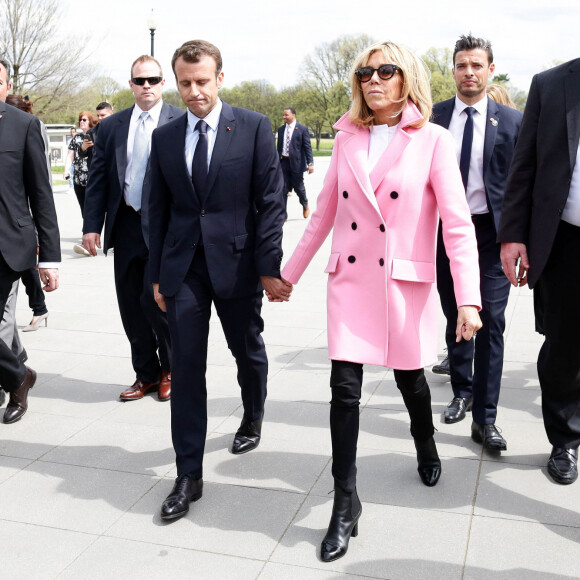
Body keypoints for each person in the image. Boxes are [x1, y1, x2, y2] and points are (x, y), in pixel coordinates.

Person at [281, 41, 482, 562]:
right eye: (365, 72)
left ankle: (425, 441)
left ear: (406, 79)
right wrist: (287, 275)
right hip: (349, 281)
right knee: (343, 389)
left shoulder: (434, 140)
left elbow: (458, 228)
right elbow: (323, 215)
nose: (373, 79)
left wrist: (468, 300)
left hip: (401, 283)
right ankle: (345, 501)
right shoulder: (348, 140)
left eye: (385, 71)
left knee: (410, 379)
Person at [148, 40, 288, 521]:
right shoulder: (165, 138)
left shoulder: (252, 128)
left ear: (220, 78)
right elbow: (156, 211)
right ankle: (188, 473)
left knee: (246, 348)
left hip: (238, 263)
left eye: (201, 81)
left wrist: (270, 266)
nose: (193, 92)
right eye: (184, 83)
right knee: (185, 366)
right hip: (184, 269)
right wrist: (156, 277)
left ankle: (253, 412)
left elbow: (271, 201)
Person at [431, 35, 522, 451]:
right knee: (454, 312)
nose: (469, 72)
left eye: (477, 66)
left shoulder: (513, 121)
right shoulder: (432, 118)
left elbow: (524, 185)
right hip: (446, 232)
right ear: (453, 70)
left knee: (492, 321)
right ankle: (462, 391)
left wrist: (522, 239)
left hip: (492, 235)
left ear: (489, 70)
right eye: (462, 65)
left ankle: (486, 419)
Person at [498, 58, 580, 485]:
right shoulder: (551, 86)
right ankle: (565, 439)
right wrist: (513, 234)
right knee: (565, 346)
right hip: (567, 240)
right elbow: (524, 163)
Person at [82, 56, 181, 404]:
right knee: (130, 305)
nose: (147, 86)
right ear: (131, 85)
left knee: (156, 302)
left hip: (164, 229)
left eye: (153, 80)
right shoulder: (110, 127)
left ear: (162, 83)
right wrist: (91, 225)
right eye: (140, 81)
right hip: (125, 225)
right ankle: (146, 374)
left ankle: (171, 369)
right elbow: (97, 180)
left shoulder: (180, 121)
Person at [0, 58, 61, 424]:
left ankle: (15, 377)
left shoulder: (24, 126)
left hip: (7, 244)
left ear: (6, 86)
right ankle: (19, 376)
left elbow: (41, 194)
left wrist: (49, 257)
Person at [4, 94, 51, 332]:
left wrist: (48, 255)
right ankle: (17, 366)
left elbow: (42, 188)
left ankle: (39, 308)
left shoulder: (28, 126)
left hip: (14, 237)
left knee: (4, 317)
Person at [65, 111, 97, 256]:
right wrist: (66, 171)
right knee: (84, 210)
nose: (81, 122)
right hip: (79, 181)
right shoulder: (76, 138)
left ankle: (91, 239)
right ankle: (88, 239)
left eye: (84, 119)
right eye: (80, 120)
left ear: (90, 120)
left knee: (94, 211)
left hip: (94, 180)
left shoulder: (98, 134)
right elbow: (70, 156)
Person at [277, 107, 314, 218]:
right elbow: (279, 147)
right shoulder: (281, 129)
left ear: (293, 115)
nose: (284, 117)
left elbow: (307, 147)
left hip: (297, 164)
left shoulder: (302, 129)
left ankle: (305, 204)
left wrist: (310, 163)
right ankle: (283, 216)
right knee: (282, 189)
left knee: (299, 188)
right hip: (283, 162)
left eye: (286, 115)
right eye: (283, 115)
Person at [86, 102, 114, 169]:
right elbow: (85, 154)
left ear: (111, 114)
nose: (100, 118)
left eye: (102, 115)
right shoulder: (91, 132)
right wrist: (83, 148)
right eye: (98, 115)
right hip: (97, 171)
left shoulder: (120, 130)